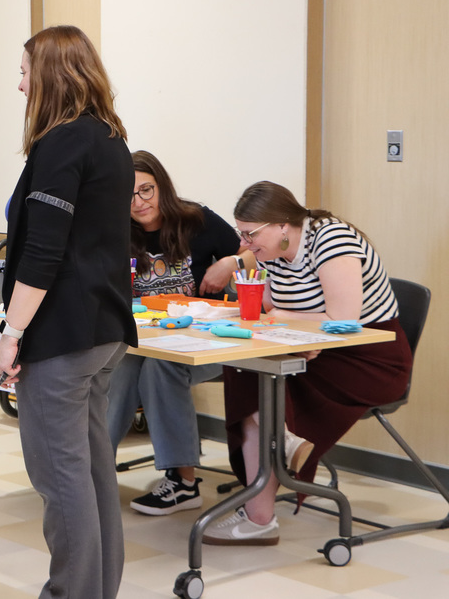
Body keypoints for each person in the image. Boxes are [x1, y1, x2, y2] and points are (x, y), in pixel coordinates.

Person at [0, 25, 138, 599]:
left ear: (51, 76)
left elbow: (45, 253)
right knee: (94, 472)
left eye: (26, 72)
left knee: (60, 477)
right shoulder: (108, 139)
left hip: (64, 337)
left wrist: (12, 333)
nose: (20, 84)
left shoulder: (62, 144)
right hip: (102, 332)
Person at [205, 181, 412, 545]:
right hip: (316, 347)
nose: (246, 244)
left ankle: (261, 506)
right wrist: (276, 313)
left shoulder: (331, 240)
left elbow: (342, 319)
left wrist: (286, 317)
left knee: (262, 378)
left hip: (368, 358)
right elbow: (271, 308)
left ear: (283, 225)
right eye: (242, 234)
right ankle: (265, 497)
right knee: (243, 368)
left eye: (251, 234)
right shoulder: (274, 252)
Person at [107, 150, 256, 516]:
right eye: (128, 193)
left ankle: (183, 482)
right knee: (121, 364)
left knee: (158, 369)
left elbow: (255, 253)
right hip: (148, 342)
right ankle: (93, 469)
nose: (139, 202)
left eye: (146, 190)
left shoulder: (197, 220)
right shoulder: (113, 231)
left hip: (209, 343)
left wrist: (230, 262)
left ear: (162, 187)